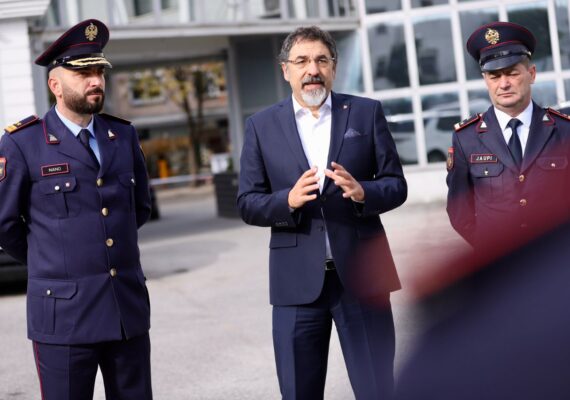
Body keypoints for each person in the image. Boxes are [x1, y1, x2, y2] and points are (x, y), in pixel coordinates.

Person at [237, 26, 407, 399]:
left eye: (321, 60)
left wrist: (364, 192)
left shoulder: (365, 113)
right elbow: (247, 202)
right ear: (286, 70)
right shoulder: (261, 126)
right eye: (301, 61)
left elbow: (396, 185)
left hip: (363, 277)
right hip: (295, 284)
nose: (312, 69)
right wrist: (287, 201)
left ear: (334, 67)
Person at [0, 19, 153, 399]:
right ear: (55, 85)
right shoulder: (23, 144)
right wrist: (50, 259)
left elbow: (139, 208)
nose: (95, 81)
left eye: (99, 71)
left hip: (124, 310)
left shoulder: (122, 135)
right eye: (83, 73)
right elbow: (4, 223)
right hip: (63, 318)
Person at [446, 21, 570, 250]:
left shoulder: (564, 130)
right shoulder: (466, 138)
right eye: (494, 76)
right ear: (486, 80)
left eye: (512, 73)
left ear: (531, 74)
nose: (504, 84)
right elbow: (459, 209)